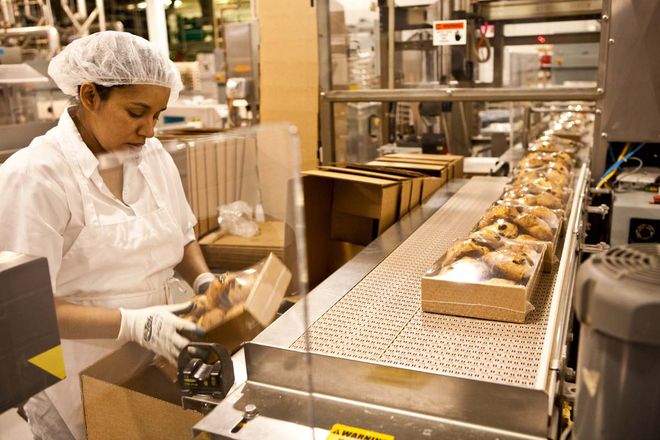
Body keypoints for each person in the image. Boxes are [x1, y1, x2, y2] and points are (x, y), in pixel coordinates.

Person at [0, 31, 219, 439]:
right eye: (137, 112)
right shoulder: (36, 176)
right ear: (89, 96)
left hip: (153, 361)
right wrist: (133, 324)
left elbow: (182, 231)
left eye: (157, 115)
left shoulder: (150, 156)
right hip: (71, 373)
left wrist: (203, 280)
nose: (149, 130)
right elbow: (29, 312)